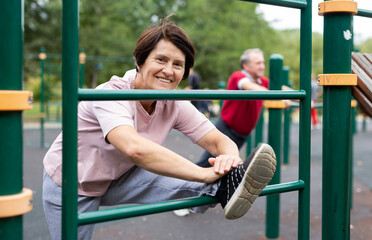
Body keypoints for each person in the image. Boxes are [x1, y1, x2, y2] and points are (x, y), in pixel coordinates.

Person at [42, 16, 276, 240]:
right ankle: (218, 184)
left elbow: (218, 140)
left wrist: (230, 162)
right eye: (161, 60)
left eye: (178, 65)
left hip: (122, 174)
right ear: (139, 61)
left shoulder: (172, 102)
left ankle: (226, 186)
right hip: (73, 182)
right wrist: (203, 172)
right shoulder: (111, 94)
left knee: (201, 180)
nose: (169, 70)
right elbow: (135, 149)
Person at [196, 48, 290, 167]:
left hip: (242, 133)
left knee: (226, 167)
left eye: (263, 63)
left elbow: (281, 88)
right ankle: (186, 184)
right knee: (207, 164)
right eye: (258, 63)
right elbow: (249, 86)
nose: (262, 66)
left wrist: (300, 97)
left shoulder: (261, 82)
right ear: (246, 66)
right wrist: (279, 97)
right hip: (226, 130)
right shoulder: (238, 76)